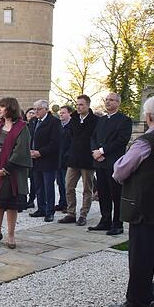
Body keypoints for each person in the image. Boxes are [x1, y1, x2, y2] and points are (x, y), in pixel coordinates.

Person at [107, 94, 154, 307]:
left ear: (149, 115)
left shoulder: (146, 142)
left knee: (142, 257)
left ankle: (137, 303)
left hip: (146, 207)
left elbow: (120, 170)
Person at [0, 97, 32, 250]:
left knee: (10, 204)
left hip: (12, 173)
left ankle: (10, 235)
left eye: (2, 107)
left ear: (10, 108)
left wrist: (5, 170)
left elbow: (21, 151)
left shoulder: (22, 127)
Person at [89, 93, 132, 235]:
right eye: (106, 100)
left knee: (116, 194)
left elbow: (121, 140)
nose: (107, 102)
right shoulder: (101, 120)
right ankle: (105, 220)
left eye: (111, 100)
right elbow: (93, 137)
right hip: (100, 162)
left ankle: (117, 223)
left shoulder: (124, 120)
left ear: (118, 103)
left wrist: (102, 151)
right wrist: (95, 151)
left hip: (114, 162)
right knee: (103, 193)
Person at [59, 95, 98, 226]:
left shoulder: (95, 120)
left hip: (87, 159)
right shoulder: (74, 119)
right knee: (68, 186)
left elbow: (96, 139)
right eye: (77, 105)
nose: (79, 107)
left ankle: (83, 214)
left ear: (87, 105)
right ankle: (71, 213)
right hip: (73, 159)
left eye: (81, 104)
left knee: (87, 189)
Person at [29, 100, 61, 222]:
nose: (35, 112)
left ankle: (49, 211)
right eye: (34, 109)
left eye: (38, 109)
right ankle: (41, 208)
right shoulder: (33, 121)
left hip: (48, 159)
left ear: (46, 109)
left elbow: (55, 143)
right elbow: (30, 138)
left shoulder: (54, 122)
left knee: (48, 186)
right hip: (35, 159)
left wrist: (40, 152)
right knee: (38, 186)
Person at [55, 105, 74, 211]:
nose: (61, 114)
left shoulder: (72, 126)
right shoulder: (59, 126)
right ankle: (62, 202)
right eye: (60, 113)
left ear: (69, 113)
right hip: (58, 159)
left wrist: (67, 155)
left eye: (63, 113)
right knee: (60, 183)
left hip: (67, 159)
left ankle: (68, 204)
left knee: (68, 183)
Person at [24, 108, 39, 210]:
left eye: (34, 113)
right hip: (24, 156)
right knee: (23, 180)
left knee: (34, 180)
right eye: (30, 113)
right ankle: (23, 199)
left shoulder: (37, 125)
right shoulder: (23, 126)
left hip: (33, 156)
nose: (32, 114)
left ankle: (31, 199)